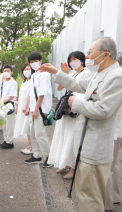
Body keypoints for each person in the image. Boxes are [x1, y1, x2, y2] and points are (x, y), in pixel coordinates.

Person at [39, 37, 122, 212]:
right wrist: (56, 72)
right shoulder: (100, 74)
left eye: (90, 52)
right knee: (85, 193)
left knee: (89, 197)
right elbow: (77, 84)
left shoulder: (116, 77)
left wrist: (74, 103)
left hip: (95, 147)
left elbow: (103, 110)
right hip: (87, 145)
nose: (87, 56)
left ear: (105, 55)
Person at [48, 51, 91, 179]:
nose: (72, 62)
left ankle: (73, 167)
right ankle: (65, 163)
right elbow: (60, 88)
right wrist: (65, 74)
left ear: (82, 60)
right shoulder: (73, 73)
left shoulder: (86, 73)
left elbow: (82, 91)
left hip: (76, 109)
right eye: (70, 60)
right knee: (65, 136)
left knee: (73, 138)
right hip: (68, 109)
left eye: (75, 59)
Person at [23, 51, 53, 168]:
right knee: (32, 132)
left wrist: (36, 109)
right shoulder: (34, 75)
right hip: (33, 108)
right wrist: (28, 107)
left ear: (40, 61)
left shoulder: (44, 74)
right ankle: (37, 155)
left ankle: (49, 157)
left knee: (40, 133)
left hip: (41, 109)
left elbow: (42, 94)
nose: (34, 63)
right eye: (31, 62)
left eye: (36, 61)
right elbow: (32, 93)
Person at [105, 51, 122, 211]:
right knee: (115, 163)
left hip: (115, 128)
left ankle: (108, 203)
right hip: (118, 129)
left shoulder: (117, 77)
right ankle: (115, 196)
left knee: (108, 165)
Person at [13, 63, 34, 154]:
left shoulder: (33, 81)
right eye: (25, 69)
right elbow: (21, 95)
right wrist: (18, 106)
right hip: (22, 106)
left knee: (29, 127)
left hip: (28, 107)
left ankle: (31, 147)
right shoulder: (24, 81)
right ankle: (29, 146)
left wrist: (27, 106)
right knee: (26, 127)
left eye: (28, 69)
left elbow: (31, 95)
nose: (26, 71)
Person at [0, 65, 17, 149]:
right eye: (5, 71)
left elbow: (12, 96)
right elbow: (0, 94)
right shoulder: (2, 82)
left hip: (9, 105)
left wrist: (3, 101)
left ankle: (9, 142)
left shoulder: (13, 82)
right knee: (4, 124)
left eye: (8, 71)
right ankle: (5, 140)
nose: (6, 72)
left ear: (11, 72)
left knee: (10, 124)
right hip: (3, 105)